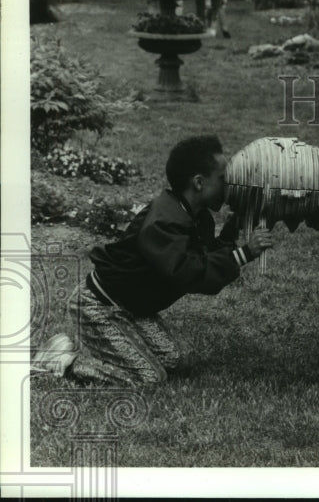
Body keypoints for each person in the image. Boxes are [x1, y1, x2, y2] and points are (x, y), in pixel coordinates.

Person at [32, 135, 272, 385]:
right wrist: (245, 254)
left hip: (134, 307)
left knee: (177, 361)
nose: (229, 184)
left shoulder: (197, 216)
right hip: (99, 306)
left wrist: (235, 225)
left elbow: (208, 256)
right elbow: (192, 273)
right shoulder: (162, 224)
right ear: (199, 183)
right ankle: (63, 360)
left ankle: (109, 345)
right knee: (148, 377)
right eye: (223, 179)